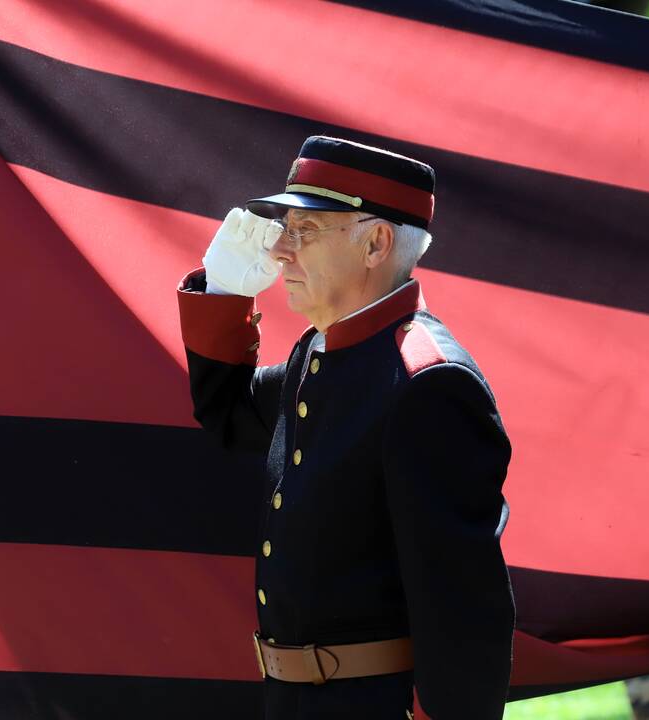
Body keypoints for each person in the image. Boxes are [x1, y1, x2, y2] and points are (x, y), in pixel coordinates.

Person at [176, 136, 516, 719]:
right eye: (284, 228)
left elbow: (463, 610)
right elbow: (228, 415)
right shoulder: (321, 353)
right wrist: (222, 291)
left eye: (304, 231)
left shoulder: (427, 385)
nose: (283, 251)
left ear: (376, 243)